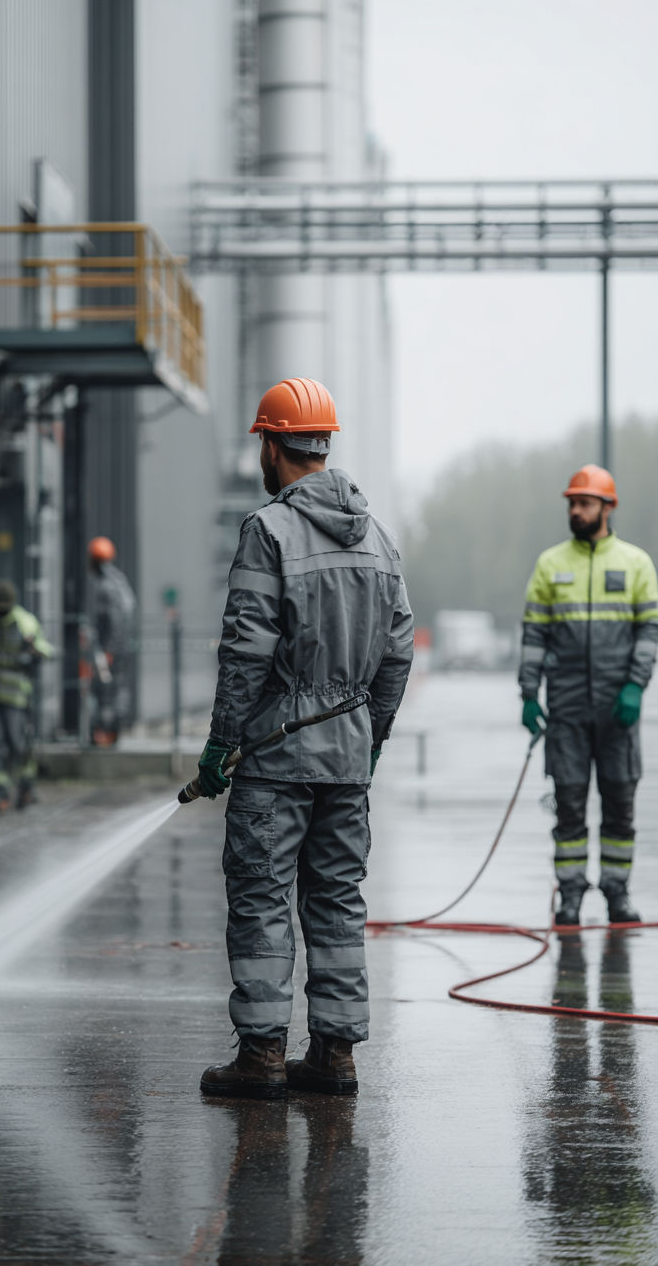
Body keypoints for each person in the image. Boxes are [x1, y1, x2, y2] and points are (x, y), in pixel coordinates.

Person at [197, 377, 414, 1100]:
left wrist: (220, 744)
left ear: (272, 443)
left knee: (261, 898)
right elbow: (399, 651)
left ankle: (261, 1057)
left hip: (276, 757)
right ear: (321, 445)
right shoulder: (377, 536)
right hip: (347, 760)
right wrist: (369, 738)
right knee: (337, 900)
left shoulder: (269, 530)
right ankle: (335, 1056)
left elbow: (247, 652)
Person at [519, 465, 658, 926]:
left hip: (619, 708)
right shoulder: (550, 564)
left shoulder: (636, 563)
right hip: (568, 708)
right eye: (572, 503)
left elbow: (648, 632)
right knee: (571, 806)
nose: (575, 510)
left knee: (620, 805)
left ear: (607, 506)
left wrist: (636, 686)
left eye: (584, 502)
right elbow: (534, 635)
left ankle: (617, 895)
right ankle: (572, 897)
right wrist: (528, 693)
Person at [0, 578, 53, 813]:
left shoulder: (25, 623)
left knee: (18, 743)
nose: (1, 612)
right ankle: (0, 791)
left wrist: (32, 647)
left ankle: (26, 784)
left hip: (15, 697)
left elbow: (46, 651)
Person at [87, 536, 138, 746]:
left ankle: (105, 733)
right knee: (117, 688)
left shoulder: (105, 586)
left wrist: (107, 649)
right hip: (122, 647)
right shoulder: (119, 580)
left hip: (112, 648)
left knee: (105, 691)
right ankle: (111, 731)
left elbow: (112, 620)